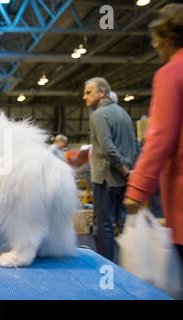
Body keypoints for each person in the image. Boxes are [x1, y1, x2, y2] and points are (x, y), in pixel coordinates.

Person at [123, 4, 183, 264]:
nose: (156, 47)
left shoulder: (171, 73)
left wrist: (137, 189)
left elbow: (160, 137)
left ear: (168, 39)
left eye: (156, 41)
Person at [83, 77, 138, 261]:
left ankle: (105, 269)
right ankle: (129, 266)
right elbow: (135, 145)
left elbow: (108, 148)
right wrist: (130, 173)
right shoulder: (123, 113)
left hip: (107, 180)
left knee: (103, 227)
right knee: (124, 225)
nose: (84, 97)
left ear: (102, 93)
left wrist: (122, 169)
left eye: (89, 92)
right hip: (125, 179)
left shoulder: (98, 115)